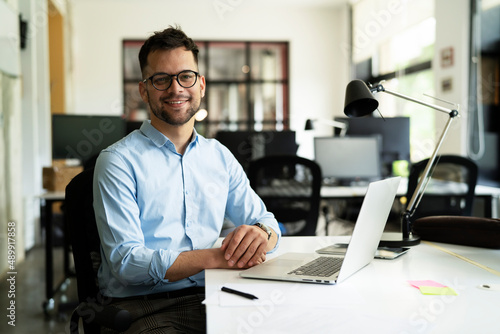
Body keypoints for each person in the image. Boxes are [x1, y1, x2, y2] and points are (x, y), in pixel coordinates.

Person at [93, 25, 281, 333]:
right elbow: (127, 263)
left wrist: (261, 234)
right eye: (161, 79)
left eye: (186, 76)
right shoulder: (118, 161)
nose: (176, 88)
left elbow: (267, 221)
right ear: (144, 90)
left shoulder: (219, 156)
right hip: (147, 303)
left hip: (220, 290)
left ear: (201, 84)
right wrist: (218, 257)